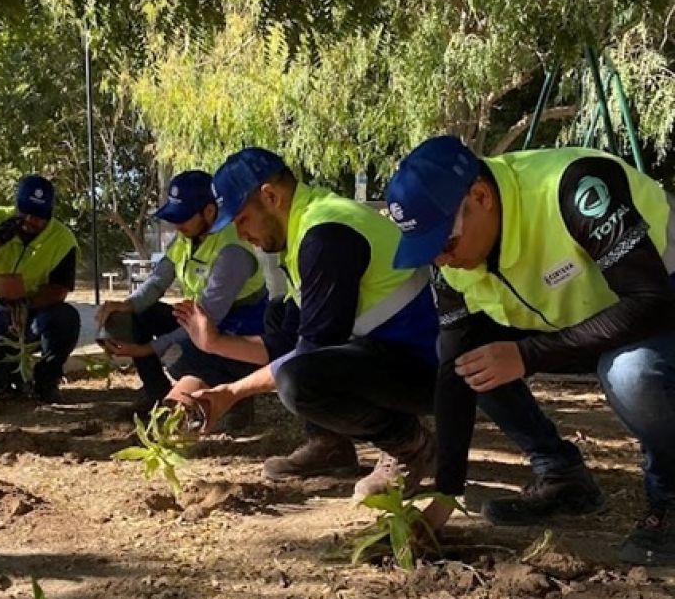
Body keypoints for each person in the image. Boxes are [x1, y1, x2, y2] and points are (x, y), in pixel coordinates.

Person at [385, 134, 675, 566]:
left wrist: (528, 356)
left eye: (444, 244)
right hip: (569, 318)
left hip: (658, 300)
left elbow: (650, 301)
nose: (442, 261)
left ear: (480, 196)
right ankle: (563, 477)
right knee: (475, 364)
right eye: (429, 251)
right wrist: (448, 490)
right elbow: (453, 368)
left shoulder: (573, 188)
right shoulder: (451, 265)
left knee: (632, 373)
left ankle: (668, 495)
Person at [180, 147, 439, 499]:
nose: (241, 235)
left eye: (241, 220)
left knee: (299, 380)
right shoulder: (304, 229)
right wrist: (212, 344)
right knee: (283, 329)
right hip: (389, 355)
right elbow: (284, 345)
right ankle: (329, 444)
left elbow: (309, 355)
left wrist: (232, 392)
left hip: (429, 369)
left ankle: (409, 446)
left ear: (270, 196)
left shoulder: (324, 236)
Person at [95, 170, 268, 424]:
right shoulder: (186, 238)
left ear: (209, 212)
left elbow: (206, 320)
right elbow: (156, 282)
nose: (177, 224)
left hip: (238, 336)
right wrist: (126, 305)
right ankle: (156, 394)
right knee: (139, 315)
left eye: (183, 217)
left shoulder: (232, 250)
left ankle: (235, 399)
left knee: (177, 354)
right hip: (201, 321)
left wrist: (146, 349)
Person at [0, 174, 80, 402]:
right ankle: (6, 374)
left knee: (66, 318)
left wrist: (26, 302)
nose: (30, 220)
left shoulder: (63, 240)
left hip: (30, 319)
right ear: (16, 205)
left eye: (39, 216)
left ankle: (46, 380)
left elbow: (59, 290)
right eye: (24, 212)